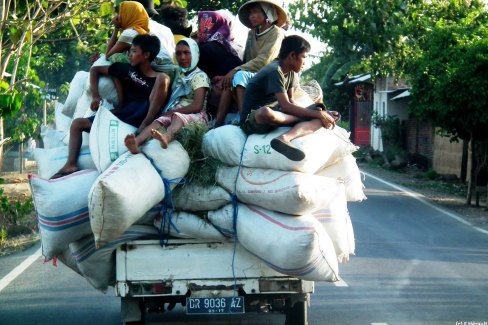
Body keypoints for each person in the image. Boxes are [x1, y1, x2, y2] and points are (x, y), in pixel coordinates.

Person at [51, 34, 170, 179]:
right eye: (129, 51)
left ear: (146, 55)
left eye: (134, 51)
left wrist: (147, 123)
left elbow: (159, 100)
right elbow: (95, 71)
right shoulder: (126, 69)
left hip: (142, 119)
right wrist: (96, 95)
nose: (129, 54)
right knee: (77, 124)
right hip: (123, 115)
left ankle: (143, 129)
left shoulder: (160, 79)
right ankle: (71, 164)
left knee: (163, 78)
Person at [239, 35, 336, 161]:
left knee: (326, 116)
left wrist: (319, 114)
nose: (305, 63)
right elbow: (286, 105)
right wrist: (315, 114)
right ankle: (307, 117)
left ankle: (285, 138)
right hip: (254, 119)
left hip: (281, 115)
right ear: (292, 56)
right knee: (265, 112)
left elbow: (291, 102)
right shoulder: (274, 71)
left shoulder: (292, 72)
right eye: (304, 57)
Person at [125, 38, 210, 153]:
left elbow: (197, 106)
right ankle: (136, 142)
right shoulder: (179, 73)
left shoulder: (200, 76)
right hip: (175, 112)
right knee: (158, 121)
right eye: (179, 54)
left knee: (177, 117)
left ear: (195, 54)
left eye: (186, 53)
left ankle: (167, 136)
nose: (182, 57)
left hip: (195, 115)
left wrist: (171, 113)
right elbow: (160, 62)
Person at [214, 0, 287, 127]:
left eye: (255, 12)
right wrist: (229, 75)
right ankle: (217, 123)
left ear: (267, 13)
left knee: (239, 75)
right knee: (229, 81)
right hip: (251, 74)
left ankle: (245, 117)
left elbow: (264, 60)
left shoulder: (276, 33)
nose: (251, 16)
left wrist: (236, 70)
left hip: (269, 75)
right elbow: (247, 60)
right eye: (250, 13)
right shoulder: (252, 33)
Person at [196, 10, 243, 117]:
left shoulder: (206, 48)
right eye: (201, 23)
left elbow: (200, 76)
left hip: (221, 96)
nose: (201, 27)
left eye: (205, 23)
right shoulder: (224, 44)